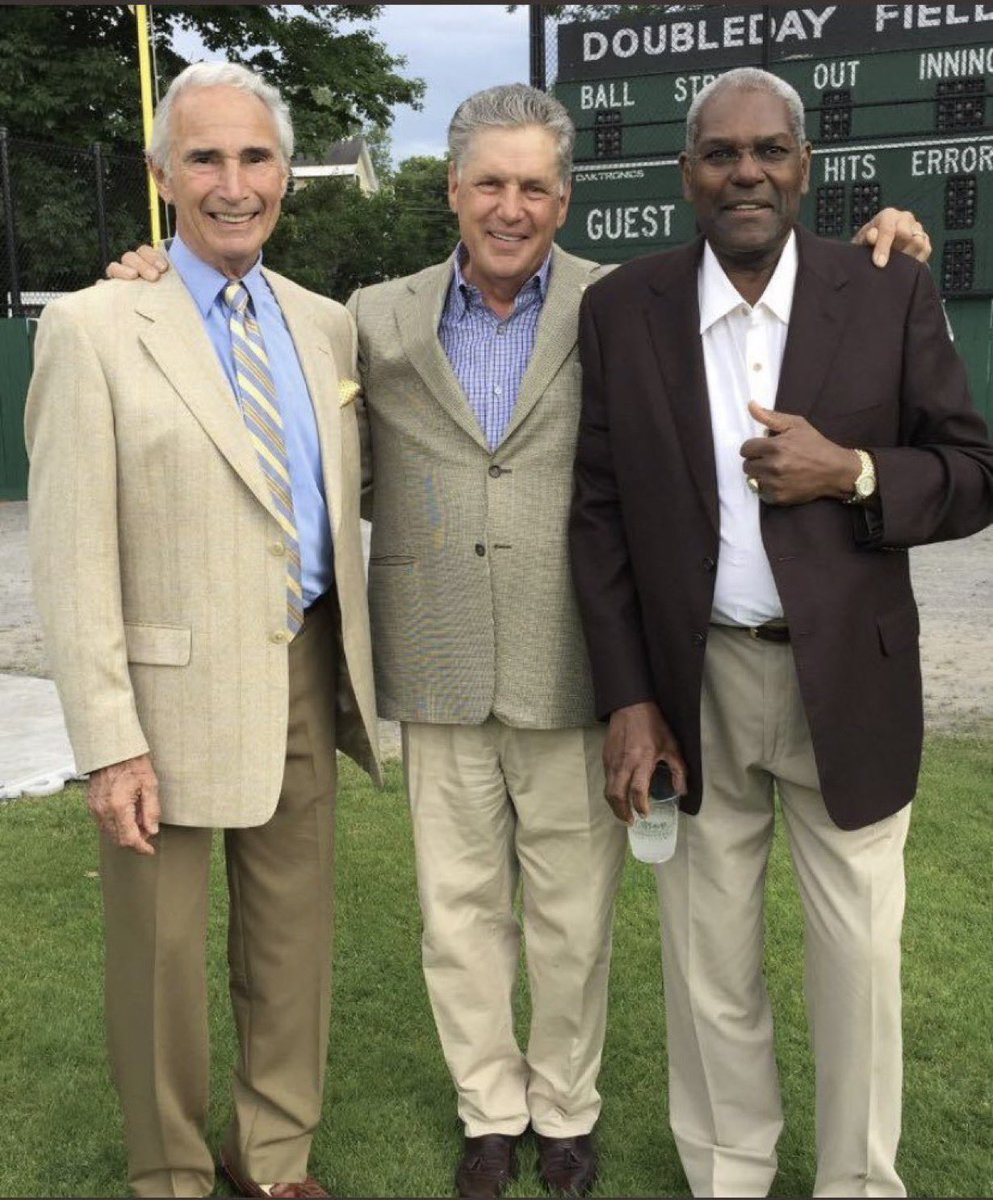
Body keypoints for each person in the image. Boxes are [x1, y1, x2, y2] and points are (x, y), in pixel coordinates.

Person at [108, 81, 931, 1200]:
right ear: (451, 189)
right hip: (436, 656)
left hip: (576, 664)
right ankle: (488, 1113)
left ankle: (566, 1110)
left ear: (565, 197)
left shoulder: (624, 303)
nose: (510, 206)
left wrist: (887, 235)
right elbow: (250, 351)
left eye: (535, 184)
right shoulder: (370, 316)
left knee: (570, 919)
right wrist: (150, 268)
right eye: (488, 182)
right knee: (458, 921)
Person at [568, 67, 993, 1198]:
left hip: (848, 685)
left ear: (805, 169)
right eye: (721, 153)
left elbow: (974, 472)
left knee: (858, 963)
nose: (745, 172)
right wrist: (629, 695)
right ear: (685, 174)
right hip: (693, 680)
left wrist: (851, 470)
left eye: (768, 152)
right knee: (710, 962)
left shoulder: (887, 289)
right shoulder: (625, 308)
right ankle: (728, 1176)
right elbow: (599, 512)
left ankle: (860, 1183)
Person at [26, 62, 380, 1199]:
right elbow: (73, 556)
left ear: (287, 173)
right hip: (162, 706)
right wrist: (108, 738)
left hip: (305, 669)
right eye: (206, 159)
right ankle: (170, 1173)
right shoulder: (92, 327)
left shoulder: (328, 328)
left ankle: (272, 1161)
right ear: (163, 175)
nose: (234, 184)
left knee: (291, 948)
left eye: (256, 157)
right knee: (162, 964)